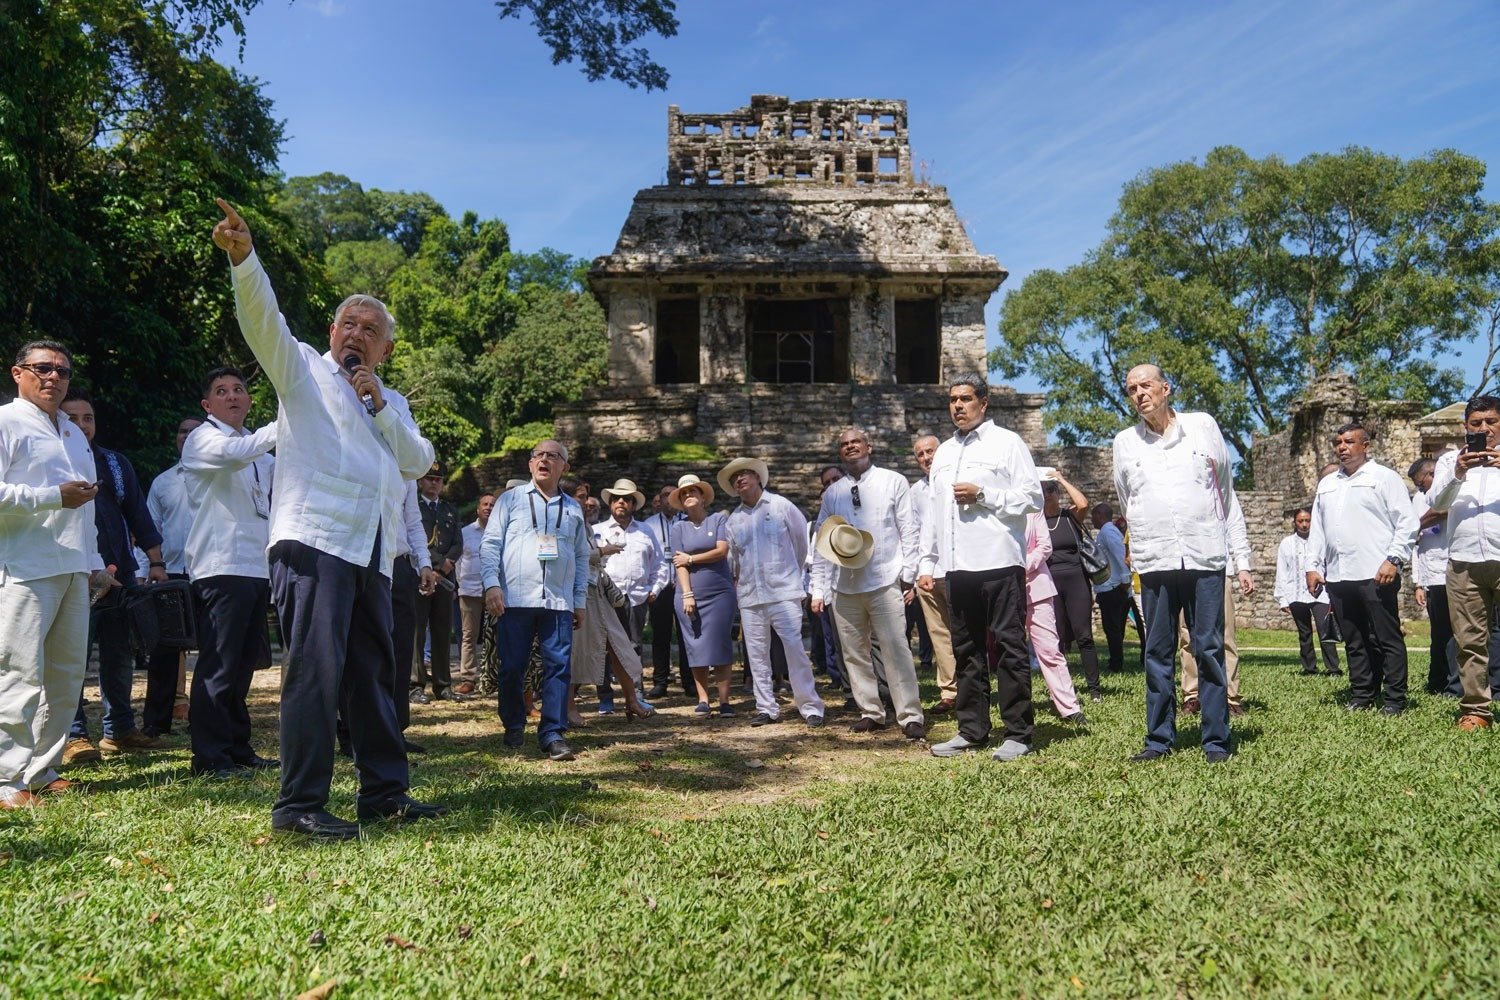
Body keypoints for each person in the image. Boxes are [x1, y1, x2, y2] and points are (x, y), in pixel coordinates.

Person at [214, 198, 443, 840]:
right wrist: (245, 260)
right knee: (315, 673)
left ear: (387, 348)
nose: (354, 334)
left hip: (374, 551)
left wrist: (379, 407)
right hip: (313, 541)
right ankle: (299, 805)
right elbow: (264, 323)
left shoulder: (389, 400)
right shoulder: (305, 372)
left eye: (369, 329)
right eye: (347, 323)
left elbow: (418, 461)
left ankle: (385, 793)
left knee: (374, 674)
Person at [1, 341, 114, 808]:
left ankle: (42, 770)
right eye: (43, 368)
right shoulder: (6, 422)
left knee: (66, 677)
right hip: (25, 567)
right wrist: (51, 497)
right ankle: (7, 781)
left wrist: (93, 562)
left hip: (72, 568)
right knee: (19, 673)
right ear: (17, 373)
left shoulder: (71, 431)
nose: (54, 377)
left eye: (63, 372)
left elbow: (83, 508)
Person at [1113, 364, 1234, 763]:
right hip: (1156, 560)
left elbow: (1224, 490)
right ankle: (1158, 740)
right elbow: (1126, 499)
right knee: (1158, 653)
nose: (1139, 394)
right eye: (1131, 389)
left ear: (1166, 387)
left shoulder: (1203, 426)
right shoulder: (1125, 442)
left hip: (1203, 556)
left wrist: (1237, 551)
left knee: (1209, 648)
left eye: (1145, 385)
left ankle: (1215, 740)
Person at [922, 373, 1042, 761]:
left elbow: (1032, 497)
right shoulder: (942, 453)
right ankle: (971, 729)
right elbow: (933, 511)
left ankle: (1018, 732)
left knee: (1008, 647)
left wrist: (983, 494)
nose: (958, 405)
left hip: (999, 560)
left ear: (984, 403)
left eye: (966, 399)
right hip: (957, 566)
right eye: (953, 399)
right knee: (966, 650)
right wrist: (928, 560)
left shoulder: (1007, 443)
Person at [179, 365, 279, 778]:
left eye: (240, 389)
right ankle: (209, 755)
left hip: (256, 567)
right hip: (221, 565)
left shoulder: (259, 452)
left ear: (250, 400)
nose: (233, 396)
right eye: (222, 391)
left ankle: (238, 746)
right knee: (219, 665)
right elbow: (234, 454)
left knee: (242, 667)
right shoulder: (204, 438)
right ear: (208, 404)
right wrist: (288, 418)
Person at [60, 388, 169, 757]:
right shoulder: (53, 463)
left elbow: (138, 513)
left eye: (87, 418)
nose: (81, 425)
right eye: (72, 418)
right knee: (72, 653)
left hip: (120, 570)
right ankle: (73, 735)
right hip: (73, 569)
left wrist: (155, 562)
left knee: (119, 652)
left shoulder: (114, 463)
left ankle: (119, 728)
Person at [811, 429, 926, 742]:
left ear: (868, 447)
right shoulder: (834, 493)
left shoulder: (893, 481)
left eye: (855, 442)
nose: (850, 447)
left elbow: (910, 529)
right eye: (844, 444)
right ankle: (871, 712)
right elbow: (821, 541)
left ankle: (910, 715)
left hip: (885, 577)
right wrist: (818, 588)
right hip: (844, 586)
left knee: (896, 648)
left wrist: (908, 573)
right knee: (854, 653)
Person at [480, 441, 591, 761]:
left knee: (558, 668)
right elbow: (490, 545)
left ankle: (553, 733)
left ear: (564, 468)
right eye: (538, 455)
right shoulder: (511, 501)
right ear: (530, 465)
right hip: (515, 596)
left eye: (552, 456)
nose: (544, 460)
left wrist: (579, 599)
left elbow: (581, 556)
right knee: (512, 666)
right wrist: (491, 585)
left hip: (558, 600)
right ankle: (514, 724)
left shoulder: (572, 508)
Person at [1306, 423, 1418, 716]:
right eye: (1338, 441)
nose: (1341, 447)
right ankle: (1362, 694)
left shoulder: (1384, 478)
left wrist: (1393, 559)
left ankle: (1394, 698)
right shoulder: (1328, 484)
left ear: (1365, 446)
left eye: (1349, 441)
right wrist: (1312, 566)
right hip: (1340, 574)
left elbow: (1407, 522)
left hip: (1376, 572)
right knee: (1354, 640)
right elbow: (1317, 529)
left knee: (1386, 637)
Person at [722, 457, 826, 728]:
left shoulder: (781, 506)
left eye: (745, 474)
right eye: (735, 478)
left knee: (794, 649)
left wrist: (791, 578)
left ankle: (810, 706)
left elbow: (801, 546)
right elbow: (735, 561)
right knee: (756, 654)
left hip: (783, 591)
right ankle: (766, 707)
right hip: (750, 595)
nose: (740, 479)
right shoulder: (733, 521)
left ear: (758, 478)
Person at [1428, 395, 1500, 730]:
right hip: (1463, 561)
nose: (1484, 429)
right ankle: (1477, 710)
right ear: (1465, 427)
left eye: (1491, 422)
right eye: (1476, 423)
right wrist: (1458, 471)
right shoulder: (1448, 462)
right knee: (1469, 640)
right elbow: (1437, 502)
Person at [144, 414, 203, 734]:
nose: (186, 437)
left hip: (210, 572)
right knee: (165, 652)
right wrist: (147, 571)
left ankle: (206, 719)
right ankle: (156, 723)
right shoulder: (163, 482)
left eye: (194, 433)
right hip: (171, 574)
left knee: (214, 651)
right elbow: (149, 531)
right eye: (182, 432)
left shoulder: (221, 475)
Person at [1177, 493, 1254, 717]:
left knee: (1225, 635)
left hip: (1218, 568)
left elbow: (1234, 522)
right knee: (1187, 636)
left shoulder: (1218, 481)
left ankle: (1231, 696)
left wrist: (1243, 565)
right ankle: (1192, 695)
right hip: (1182, 568)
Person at [595, 478, 668, 702]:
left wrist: (654, 588)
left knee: (634, 646)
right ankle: (605, 696)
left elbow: (660, 564)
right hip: (605, 597)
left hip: (636, 596)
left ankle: (636, 693)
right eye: (616, 498)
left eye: (627, 499)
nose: (621, 502)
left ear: (633, 505)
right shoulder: (597, 530)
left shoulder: (646, 531)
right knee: (603, 646)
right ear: (610, 504)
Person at [668, 474, 736, 715]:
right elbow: (679, 563)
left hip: (719, 593)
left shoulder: (718, 520)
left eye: (693, 492)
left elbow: (721, 550)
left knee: (719, 642)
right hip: (690, 594)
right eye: (684, 494)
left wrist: (692, 558)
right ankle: (703, 698)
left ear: (703, 496)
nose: (688, 496)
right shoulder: (678, 527)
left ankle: (725, 700)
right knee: (695, 644)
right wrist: (687, 594)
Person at [1039, 468, 1101, 702]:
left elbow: (1083, 503)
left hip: (1076, 579)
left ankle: (1094, 690)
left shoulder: (1069, 515)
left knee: (1084, 635)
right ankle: (1062, 690)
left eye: (1051, 490)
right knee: (1057, 639)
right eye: (1043, 490)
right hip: (1049, 582)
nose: (1048, 494)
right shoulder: (1036, 520)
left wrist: (1062, 479)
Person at [909, 435, 958, 714]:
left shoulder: (956, 480)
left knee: (961, 631)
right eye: (920, 454)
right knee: (938, 634)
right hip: (928, 572)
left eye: (930, 451)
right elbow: (914, 533)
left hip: (956, 568)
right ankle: (949, 691)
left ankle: (974, 685)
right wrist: (918, 572)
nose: (926, 458)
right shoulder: (915, 491)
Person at [1024, 512, 1086, 724]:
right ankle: (1018, 708)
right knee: (1009, 653)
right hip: (1001, 589)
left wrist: (1021, 565)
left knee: (1050, 650)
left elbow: (1045, 546)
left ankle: (1069, 707)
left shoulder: (1034, 510)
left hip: (1036, 586)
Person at [412, 462, 466, 702]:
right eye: (429, 478)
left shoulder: (449, 509)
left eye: (438, 479)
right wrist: (434, 566)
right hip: (419, 576)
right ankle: (415, 684)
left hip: (445, 579)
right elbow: (412, 538)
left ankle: (443, 685)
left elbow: (458, 542)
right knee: (416, 632)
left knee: (442, 631)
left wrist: (444, 568)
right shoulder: (411, 505)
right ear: (420, 481)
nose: (434, 483)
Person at [1409, 457, 1458, 696]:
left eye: (1421, 483)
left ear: (1432, 473)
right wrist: (1418, 582)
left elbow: (1442, 509)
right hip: (1431, 576)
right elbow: (1416, 545)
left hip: (1450, 571)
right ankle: (1437, 680)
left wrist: (1415, 525)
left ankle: (1454, 684)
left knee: (1454, 633)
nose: (1420, 489)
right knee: (1439, 634)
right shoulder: (1420, 498)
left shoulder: (1450, 488)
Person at [1273, 507, 1342, 676]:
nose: (1304, 524)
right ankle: (1309, 667)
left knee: (1324, 629)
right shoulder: (1286, 544)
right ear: (1295, 523)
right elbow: (1282, 571)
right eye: (1300, 521)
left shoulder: (1321, 542)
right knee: (1304, 633)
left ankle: (1333, 668)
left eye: (1307, 520)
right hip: (1296, 593)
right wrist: (1282, 598)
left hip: (1321, 593)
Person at [641, 484, 689, 699]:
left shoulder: (687, 522)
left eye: (672, 495)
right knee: (660, 636)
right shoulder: (648, 525)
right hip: (660, 588)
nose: (668, 499)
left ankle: (689, 681)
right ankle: (660, 682)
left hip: (684, 586)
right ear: (658, 500)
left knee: (687, 634)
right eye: (664, 496)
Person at [1090, 501, 1143, 673]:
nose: (1092, 520)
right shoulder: (1106, 532)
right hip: (1110, 586)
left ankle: (1116, 663)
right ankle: (1116, 659)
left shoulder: (1108, 531)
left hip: (1114, 587)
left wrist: (1125, 580)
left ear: (1100, 515)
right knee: (1114, 628)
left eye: (1093, 516)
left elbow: (1120, 554)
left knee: (1112, 628)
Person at [455, 492, 496, 696]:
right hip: (470, 590)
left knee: (495, 637)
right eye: (485, 504)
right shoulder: (465, 532)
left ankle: (490, 678)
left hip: (494, 592)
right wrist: (460, 583)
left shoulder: (500, 532)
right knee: (469, 636)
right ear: (477, 509)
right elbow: (458, 560)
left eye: (492, 505)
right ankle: (467, 679)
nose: (488, 507)